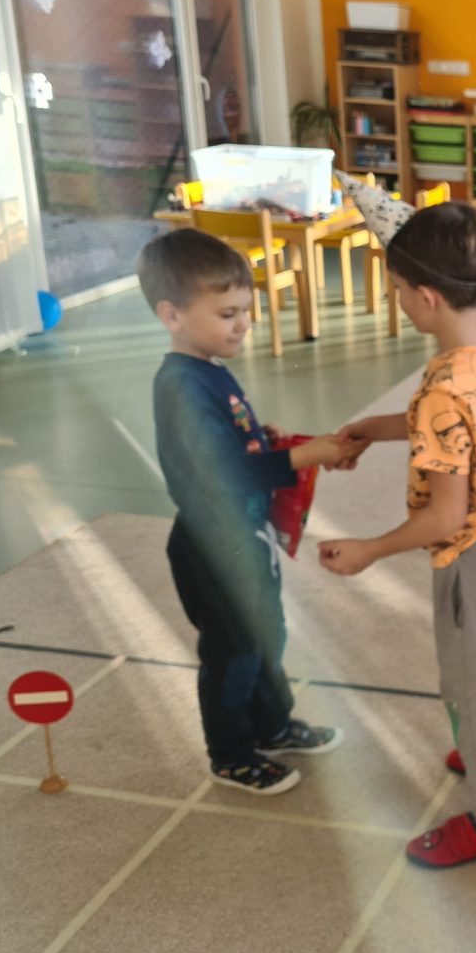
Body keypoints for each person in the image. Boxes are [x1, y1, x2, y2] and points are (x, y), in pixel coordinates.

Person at [320, 189, 476, 869]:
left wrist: (370, 549)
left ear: (426, 298)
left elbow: (446, 515)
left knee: (471, 683)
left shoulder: (445, 386)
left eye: (396, 291)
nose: (396, 301)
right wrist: (377, 429)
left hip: (472, 552)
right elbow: (458, 425)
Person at [138, 229, 353, 796]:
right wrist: (304, 455)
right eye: (227, 313)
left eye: (246, 311)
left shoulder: (208, 367)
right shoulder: (180, 385)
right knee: (234, 652)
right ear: (172, 315)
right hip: (214, 546)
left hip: (244, 535)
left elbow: (228, 443)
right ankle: (231, 754)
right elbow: (226, 473)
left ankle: (272, 725)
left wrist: (262, 438)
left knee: (266, 635)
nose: (243, 324)